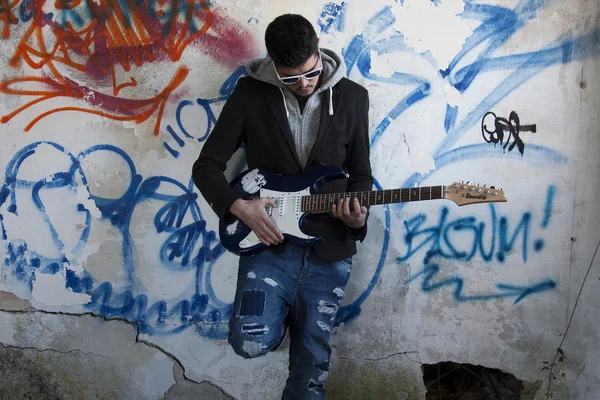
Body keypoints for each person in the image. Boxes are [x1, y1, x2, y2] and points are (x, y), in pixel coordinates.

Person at [192, 13, 373, 399]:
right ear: (273, 63)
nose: (305, 85)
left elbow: (360, 174)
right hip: (268, 243)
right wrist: (239, 207)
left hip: (331, 247)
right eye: (291, 78)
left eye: (311, 73)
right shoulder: (249, 95)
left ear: (318, 51)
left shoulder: (354, 97)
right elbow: (205, 167)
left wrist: (358, 220)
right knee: (250, 341)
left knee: (311, 368)